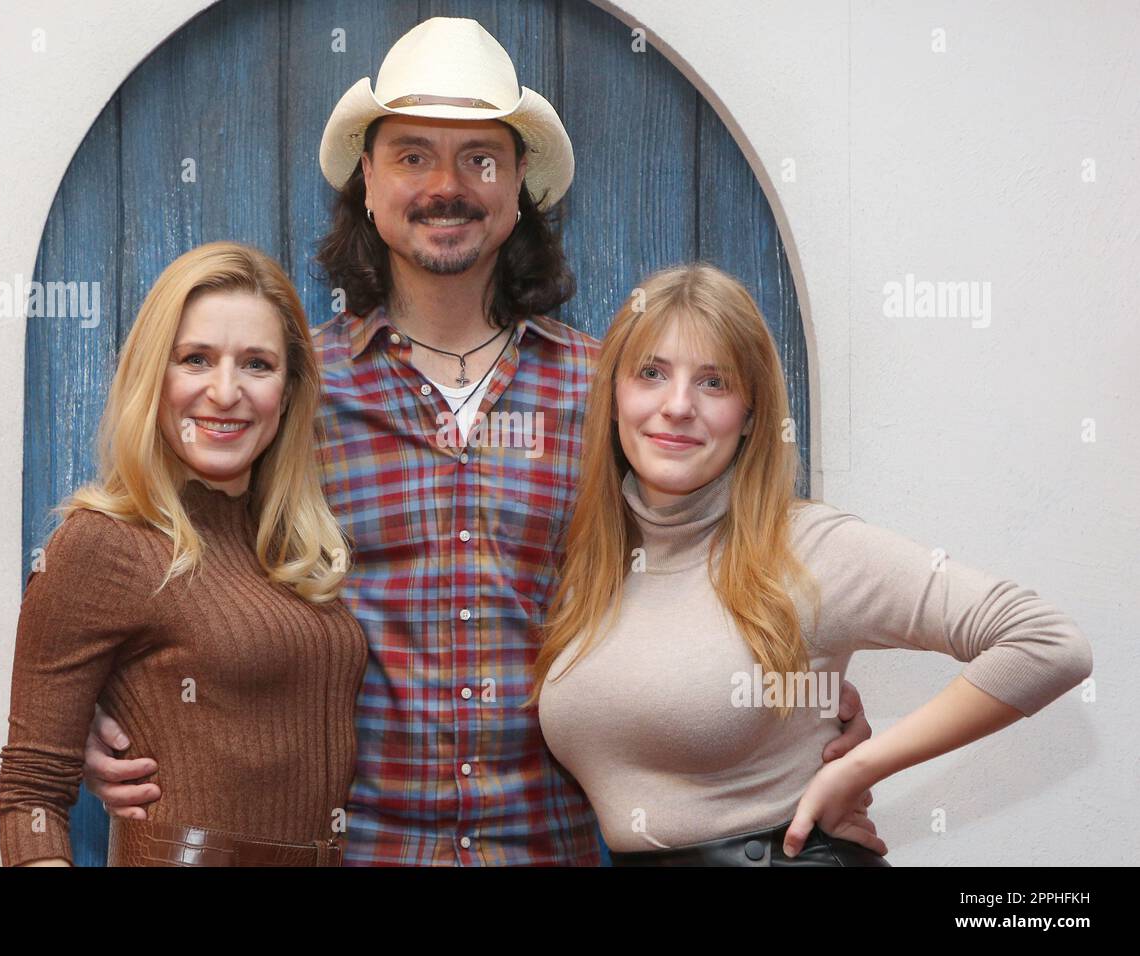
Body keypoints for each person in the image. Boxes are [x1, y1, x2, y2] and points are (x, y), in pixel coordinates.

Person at [80, 17, 880, 865]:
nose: (446, 185)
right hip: (353, 851)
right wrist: (106, 684)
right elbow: (147, 529)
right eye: (413, 155)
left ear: (521, 181)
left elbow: (731, 554)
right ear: (369, 177)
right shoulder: (293, 386)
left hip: (553, 848)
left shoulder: (612, 389)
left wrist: (802, 691)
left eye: (479, 158)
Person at [531, 262, 1093, 866]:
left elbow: (1048, 643)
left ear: (749, 415)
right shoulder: (599, 566)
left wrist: (857, 769)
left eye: (714, 383)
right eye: (651, 373)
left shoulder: (807, 548)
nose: (677, 406)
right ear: (614, 393)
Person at [0, 242, 367, 866]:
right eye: (195, 359)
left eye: (257, 364)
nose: (225, 392)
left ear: (289, 388)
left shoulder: (287, 549)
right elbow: (30, 793)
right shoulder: (101, 541)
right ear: (152, 375)